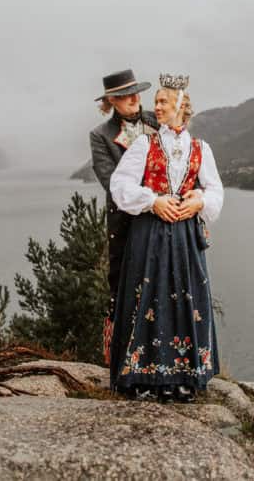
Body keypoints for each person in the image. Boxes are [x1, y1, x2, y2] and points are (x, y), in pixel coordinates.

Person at [108, 74, 224, 402]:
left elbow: (215, 189)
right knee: (148, 298)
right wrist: (153, 201)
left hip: (185, 236)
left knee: (187, 299)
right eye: (156, 101)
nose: (156, 107)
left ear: (180, 105)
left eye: (163, 101)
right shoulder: (144, 145)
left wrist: (199, 201)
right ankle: (142, 377)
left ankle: (184, 377)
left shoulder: (200, 149)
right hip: (149, 235)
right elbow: (120, 185)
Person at [89, 69, 159, 365]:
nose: (133, 98)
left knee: (162, 287)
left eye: (135, 92)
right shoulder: (100, 135)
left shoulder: (157, 121)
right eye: (124, 95)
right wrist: (153, 199)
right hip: (126, 223)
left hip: (163, 220)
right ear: (111, 101)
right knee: (125, 289)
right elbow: (112, 183)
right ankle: (124, 363)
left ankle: (163, 361)